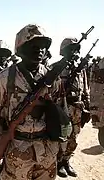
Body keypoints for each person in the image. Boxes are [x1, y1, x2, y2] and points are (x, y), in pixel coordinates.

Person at [0, 24, 69, 180]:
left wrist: (61, 146)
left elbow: (63, 114)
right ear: (20, 49)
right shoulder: (5, 78)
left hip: (47, 150)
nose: (39, 49)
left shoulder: (52, 78)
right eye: (33, 45)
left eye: (43, 46)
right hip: (17, 150)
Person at [56, 37, 90, 178]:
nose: (74, 52)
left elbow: (85, 88)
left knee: (74, 138)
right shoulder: (57, 67)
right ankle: (58, 163)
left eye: (76, 49)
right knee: (62, 137)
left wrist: (87, 106)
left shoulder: (80, 68)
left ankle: (66, 161)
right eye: (71, 49)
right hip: (64, 107)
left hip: (78, 108)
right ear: (64, 51)